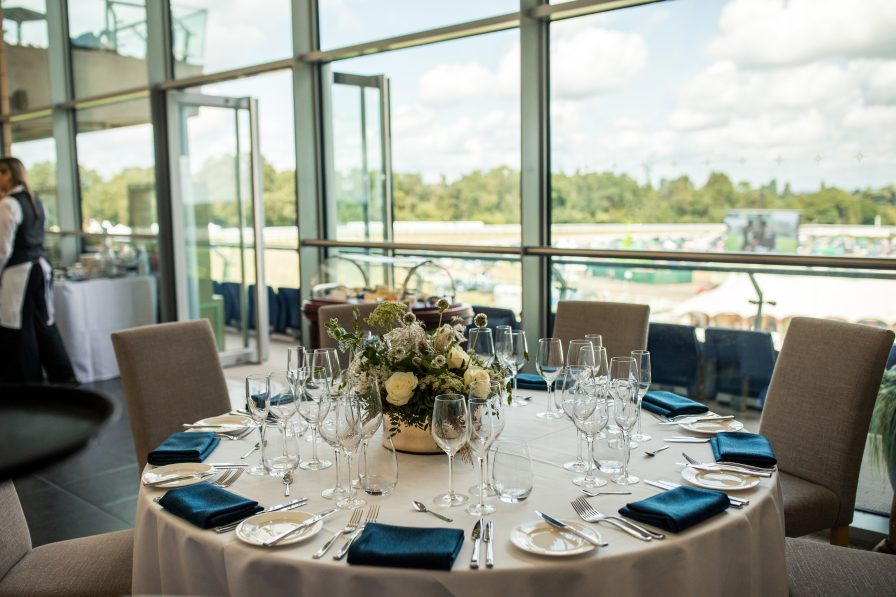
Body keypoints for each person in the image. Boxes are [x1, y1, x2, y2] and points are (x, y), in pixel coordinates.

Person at [0, 157, 76, 383]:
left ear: (7, 174)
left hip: (19, 273)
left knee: (19, 327)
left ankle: (27, 383)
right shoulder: (37, 201)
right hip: (40, 269)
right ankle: (63, 377)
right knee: (43, 323)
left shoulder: (8, 204)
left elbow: (3, 249)